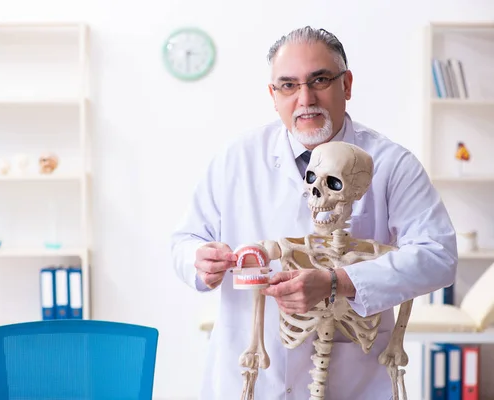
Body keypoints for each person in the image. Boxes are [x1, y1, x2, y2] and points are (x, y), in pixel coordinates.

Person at [170, 26, 458, 400]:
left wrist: (340, 281)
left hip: (353, 382)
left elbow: (439, 256)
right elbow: (185, 240)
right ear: (273, 96)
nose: (305, 98)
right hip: (250, 377)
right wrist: (198, 260)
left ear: (347, 85)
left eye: (319, 80)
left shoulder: (392, 164)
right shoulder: (236, 158)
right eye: (288, 85)